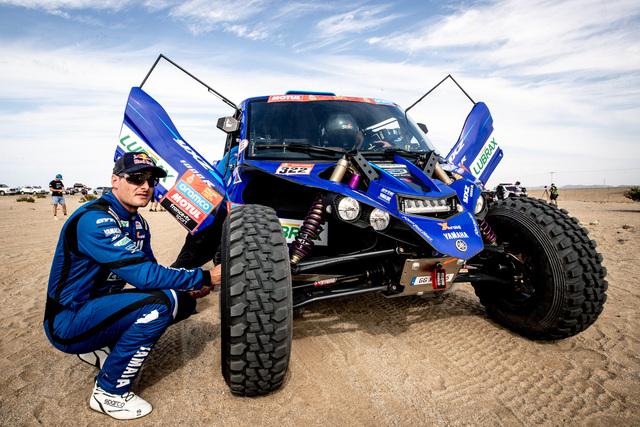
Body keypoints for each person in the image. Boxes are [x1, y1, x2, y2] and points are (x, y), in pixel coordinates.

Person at [43, 152, 221, 420]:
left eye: (151, 180)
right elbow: (144, 276)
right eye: (136, 178)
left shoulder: (138, 222)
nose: (145, 186)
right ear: (115, 181)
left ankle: (98, 347)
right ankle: (109, 392)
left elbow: (151, 270)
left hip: (97, 310)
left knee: (181, 301)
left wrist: (186, 288)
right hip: (67, 320)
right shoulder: (95, 219)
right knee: (159, 305)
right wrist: (205, 277)